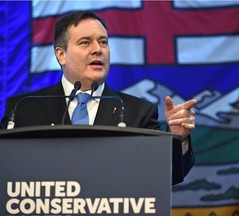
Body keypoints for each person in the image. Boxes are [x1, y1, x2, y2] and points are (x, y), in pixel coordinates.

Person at [0, 11, 197, 184]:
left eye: (103, 42)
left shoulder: (138, 112)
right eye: (85, 42)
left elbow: (166, 176)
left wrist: (177, 138)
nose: (98, 49)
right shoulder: (24, 108)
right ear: (61, 55)